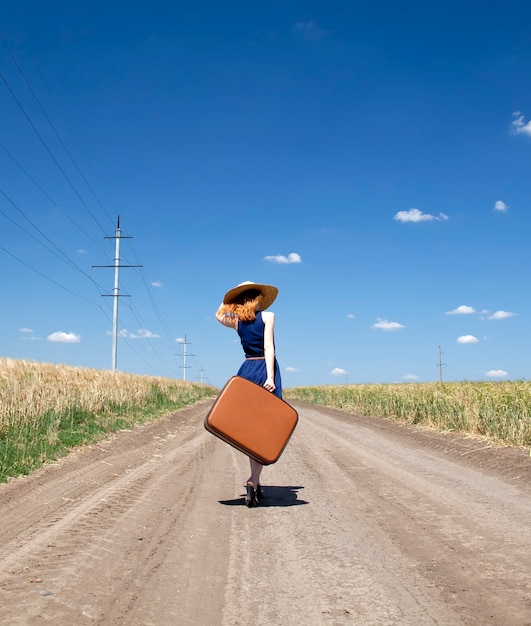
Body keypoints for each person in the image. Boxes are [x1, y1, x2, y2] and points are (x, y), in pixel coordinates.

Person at [215, 280, 282, 507]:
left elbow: (217, 315)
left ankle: (255, 480)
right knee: (263, 429)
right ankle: (254, 478)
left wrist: (229, 299)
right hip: (265, 368)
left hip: (247, 370)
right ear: (258, 298)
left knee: (250, 429)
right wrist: (271, 378)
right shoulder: (268, 317)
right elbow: (268, 348)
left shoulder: (237, 323)